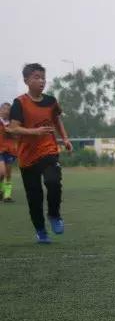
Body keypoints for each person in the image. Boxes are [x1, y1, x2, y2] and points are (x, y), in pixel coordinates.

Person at [7, 63, 73, 243]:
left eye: (43, 77)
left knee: (53, 181)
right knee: (34, 197)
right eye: (36, 77)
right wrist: (33, 132)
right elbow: (13, 128)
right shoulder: (19, 103)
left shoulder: (51, 101)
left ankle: (54, 215)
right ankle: (41, 231)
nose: (41, 81)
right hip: (27, 157)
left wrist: (65, 138)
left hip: (48, 150)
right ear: (26, 80)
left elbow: (57, 120)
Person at [0, 102, 18, 202]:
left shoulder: (12, 123)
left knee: (8, 174)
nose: (6, 111)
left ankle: (7, 195)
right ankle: (1, 190)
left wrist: (11, 132)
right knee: (1, 172)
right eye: (4, 109)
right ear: (0, 110)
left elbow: (17, 136)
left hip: (10, 151)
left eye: (8, 109)